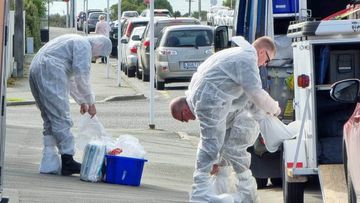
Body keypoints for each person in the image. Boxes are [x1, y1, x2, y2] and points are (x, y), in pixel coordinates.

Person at [169, 36, 280, 203]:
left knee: (219, 145)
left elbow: (251, 97)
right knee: (214, 145)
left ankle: (209, 191)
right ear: (262, 51)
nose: (265, 64)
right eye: (267, 60)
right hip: (221, 105)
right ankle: (203, 192)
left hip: (227, 107)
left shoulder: (238, 56)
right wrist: (274, 109)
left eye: (268, 61)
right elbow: (256, 94)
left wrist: (267, 111)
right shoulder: (246, 59)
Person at [29, 34, 112, 176]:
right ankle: (68, 160)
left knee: (50, 118)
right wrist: (91, 102)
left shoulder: (73, 40)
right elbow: (81, 76)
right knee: (61, 116)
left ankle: (49, 161)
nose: (96, 58)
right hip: (49, 69)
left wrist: (83, 101)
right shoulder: (84, 46)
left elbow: (71, 80)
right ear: (98, 46)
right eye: (98, 56)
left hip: (36, 69)